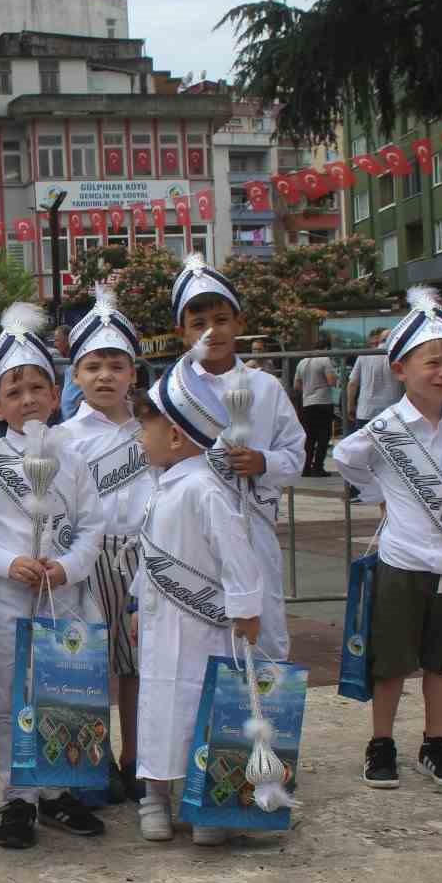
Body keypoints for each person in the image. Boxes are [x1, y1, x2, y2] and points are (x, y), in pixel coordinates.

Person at [333, 290, 442, 791]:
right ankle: (382, 743)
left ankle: (436, 742)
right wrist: (380, 494)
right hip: (401, 560)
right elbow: (345, 458)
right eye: (432, 362)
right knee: (391, 662)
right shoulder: (385, 428)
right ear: (401, 368)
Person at [0, 303, 105, 849]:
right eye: (13, 391)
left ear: (55, 394)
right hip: (7, 600)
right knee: (9, 699)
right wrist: (9, 562)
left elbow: (93, 526)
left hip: (63, 598)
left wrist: (66, 566)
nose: (27, 400)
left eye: (37, 388)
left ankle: (59, 791)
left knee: (63, 692)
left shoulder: (74, 459)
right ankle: (19, 794)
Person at [130, 347, 263, 845]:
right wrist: (137, 602)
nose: (140, 441)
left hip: (206, 627)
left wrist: (247, 610)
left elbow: (238, 555)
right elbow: (150, 557)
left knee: (198, 709)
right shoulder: (162, 486)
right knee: (157, 707)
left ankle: (205, 800)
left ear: (175, 435)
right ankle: (154, 797)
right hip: (162, 623)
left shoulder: (205, 490)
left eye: (145, 431)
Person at [173, 254, 305, 659]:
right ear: (182, 333)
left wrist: (264, 463)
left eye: (221, 319)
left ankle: (265, 717)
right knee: (200, 633)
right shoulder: (174, 390)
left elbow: (295, 454)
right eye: (198, 324)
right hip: (192, 529)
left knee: (261, 629)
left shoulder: (266, 387)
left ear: (240, 324)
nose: (212, 332)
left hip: (254, 527)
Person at [57, 288, 150, 800]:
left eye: (117, 365)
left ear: (133, 373)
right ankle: (92, 761)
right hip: (88, 561)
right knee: (87, 664)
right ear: (76, 377)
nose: (105, 376)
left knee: (135, 667)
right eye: (94, 366)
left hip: (140, 561)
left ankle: (136, 757)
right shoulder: (65, 437)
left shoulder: (151, 431)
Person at [293, 350, 339, 477]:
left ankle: (306, 467)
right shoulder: (325, 359)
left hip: (307, 403)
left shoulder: (302, 362)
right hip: (323, 402)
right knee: (323, 437)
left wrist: (308, 390)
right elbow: (331, 382)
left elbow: (297, 386)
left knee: (309, 438)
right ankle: (318, 467)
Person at [347, 328, 401, 434]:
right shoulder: (399, 357)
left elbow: (352, 383)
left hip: (365, 411)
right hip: (392, 412)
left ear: (380, 340)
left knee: (364, 449)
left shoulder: (364, 355)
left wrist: (350, 406)